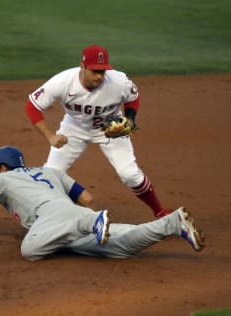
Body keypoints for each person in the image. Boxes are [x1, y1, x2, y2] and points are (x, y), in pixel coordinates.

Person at [0, 146, 205, 261]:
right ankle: (171, 224)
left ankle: (89, 221)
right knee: (119, 248)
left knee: (30, 251)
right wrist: (84, 218)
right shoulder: (49, 171)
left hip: (56, 217)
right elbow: (86, 198)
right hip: (71, 213)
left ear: (1, 167)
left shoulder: (4, 178)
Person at [25, 44, 170, 218]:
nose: (99, 76)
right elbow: (32, 106)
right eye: (94, 71)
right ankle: (40, 216)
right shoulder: (63, 82)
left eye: (103, 71)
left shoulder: (118, 81)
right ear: (82, 66)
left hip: (111, 126)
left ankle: (160, 211)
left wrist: (130, 118)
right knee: (52, 173)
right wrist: (50, 136)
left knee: (130, 175)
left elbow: (133, 98)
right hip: (74, 127)